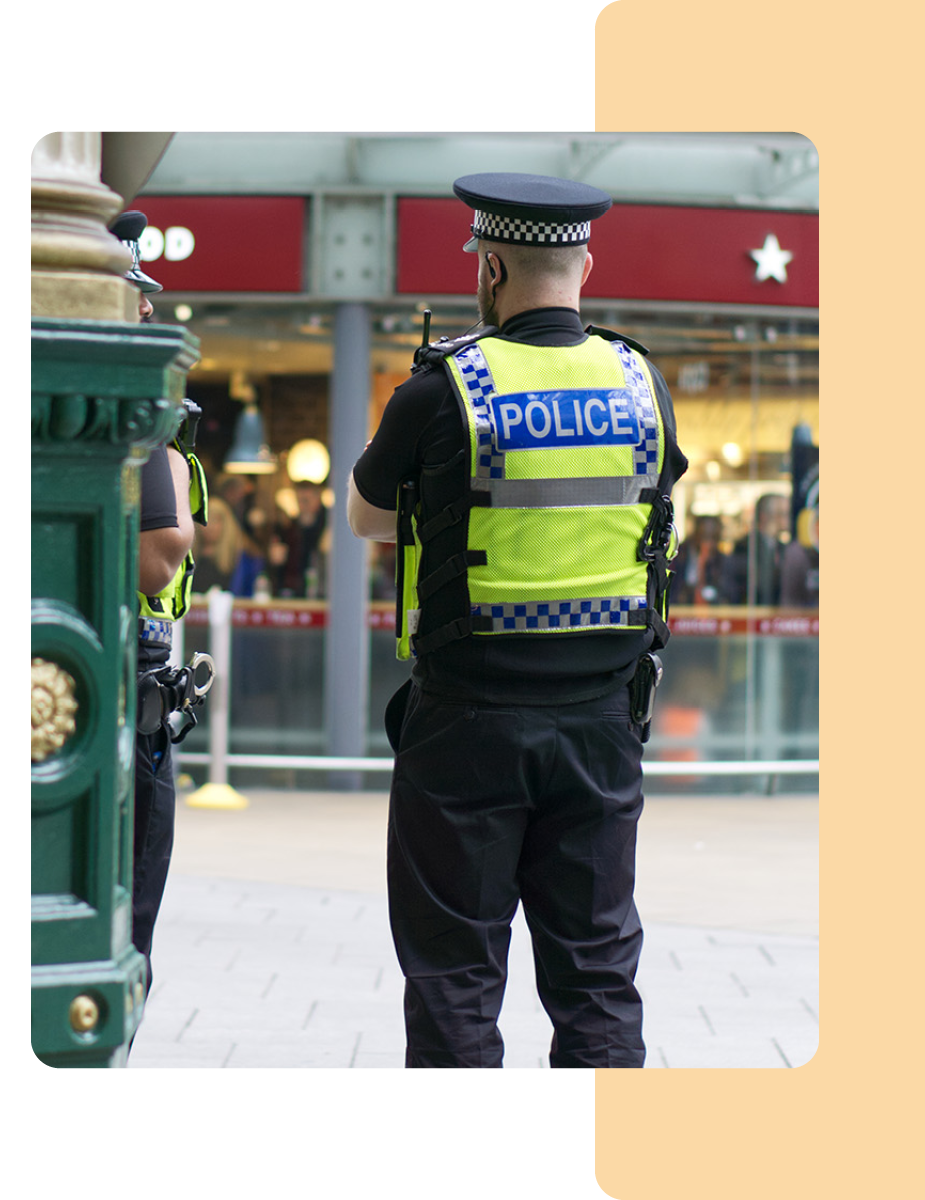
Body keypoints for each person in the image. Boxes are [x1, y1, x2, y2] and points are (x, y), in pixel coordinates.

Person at [348, 172, 688, 1069]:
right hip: (604, 724)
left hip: (466, 723)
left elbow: (366, 517)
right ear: (587, 263)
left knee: (456, 974)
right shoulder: (640, 381)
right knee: (598, 972)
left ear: (489, 267)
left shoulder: (443, 389)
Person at [110, 210, 209, 1002]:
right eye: (130, 293)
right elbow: (157, 556)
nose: (147, 310)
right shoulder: (128, 409)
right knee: (123, 928)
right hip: (115, 690)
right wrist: (170, 461)